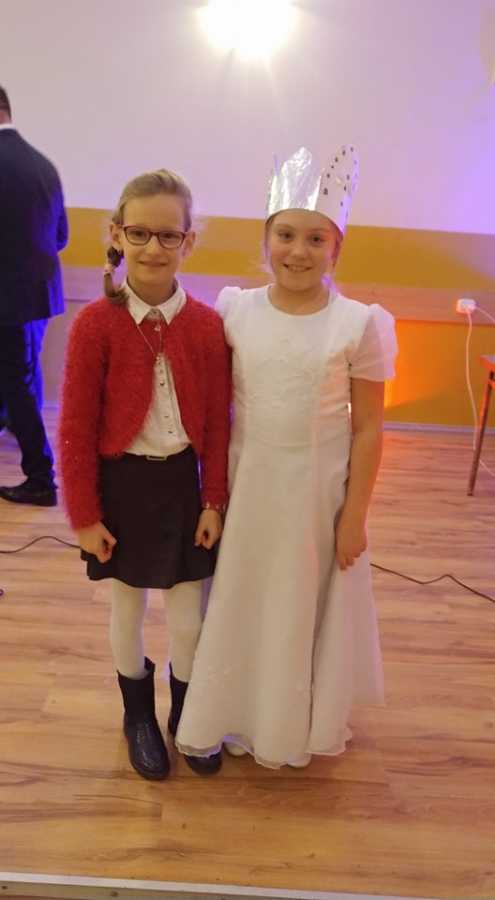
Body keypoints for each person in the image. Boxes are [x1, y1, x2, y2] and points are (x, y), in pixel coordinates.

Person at [177, 146, 398, 769]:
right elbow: (212, 409)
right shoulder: (234, 309)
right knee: (242, 596)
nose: (298, 251)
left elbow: (369, 429)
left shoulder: (359, 323)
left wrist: (355, 516)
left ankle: (288, 721)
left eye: (315, 239)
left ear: (336, 249)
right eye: (286, 235)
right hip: (248, 487)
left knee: (299, 602)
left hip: (314, 497)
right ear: (266, 239)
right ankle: (231, 710)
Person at [58, 169, 231, 780]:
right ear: (116, 234)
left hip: (183, 488)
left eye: (168, 235)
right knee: (127, 610)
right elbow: (75, 428)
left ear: (189, 241)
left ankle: (187, 712)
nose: (153, 248)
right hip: (122, 490)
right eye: (139, 233)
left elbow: (218, 424)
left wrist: (213, 501)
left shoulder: (207, 326)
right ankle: (137, 716)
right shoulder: (95, 325)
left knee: (188, 619)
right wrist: (85, 516)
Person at [0, 85, 68, 506]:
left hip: (7, 299)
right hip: (39, 296)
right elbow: (61, 236)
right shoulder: (43, 164)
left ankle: (41, 479)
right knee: (22, 380)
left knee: (19, 385)